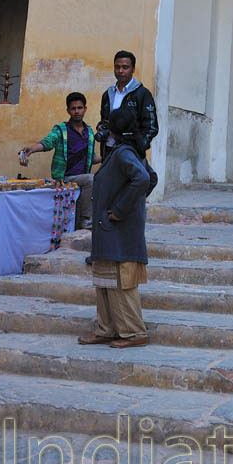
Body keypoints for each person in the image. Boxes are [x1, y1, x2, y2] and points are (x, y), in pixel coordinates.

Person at [79, 106, 156, 348]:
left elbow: (144, 179)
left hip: (118, 228)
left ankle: (133, 333)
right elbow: (151, 178)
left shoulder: (124, 153)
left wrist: (123, 209)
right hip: (109, 229)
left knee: (121, 283)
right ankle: (106, 329)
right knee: (105, 281)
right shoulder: (124, 151)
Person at [18, 92, 98, 229]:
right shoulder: (61, 130)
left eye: (80, 108)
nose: (77, 111)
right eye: (73, 108)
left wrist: (111, 155)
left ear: (85, 109)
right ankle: (86, 219)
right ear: (68, 110)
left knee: (99, 178)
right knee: (91, 179)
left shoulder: (89, 133)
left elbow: (92, 158)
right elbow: (47, 142)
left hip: (81, 177)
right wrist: (32, 149)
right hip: (63, 177)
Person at [99, 51, 158, 161]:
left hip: (130, 153)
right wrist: (102, 127)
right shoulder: (108, 94)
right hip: (108, 150)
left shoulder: (142, 94)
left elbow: (151, 127)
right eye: (117, 67)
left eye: (125, 67)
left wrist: (138, 146)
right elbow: (104, 120)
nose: (120, 71)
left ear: (133, 69)